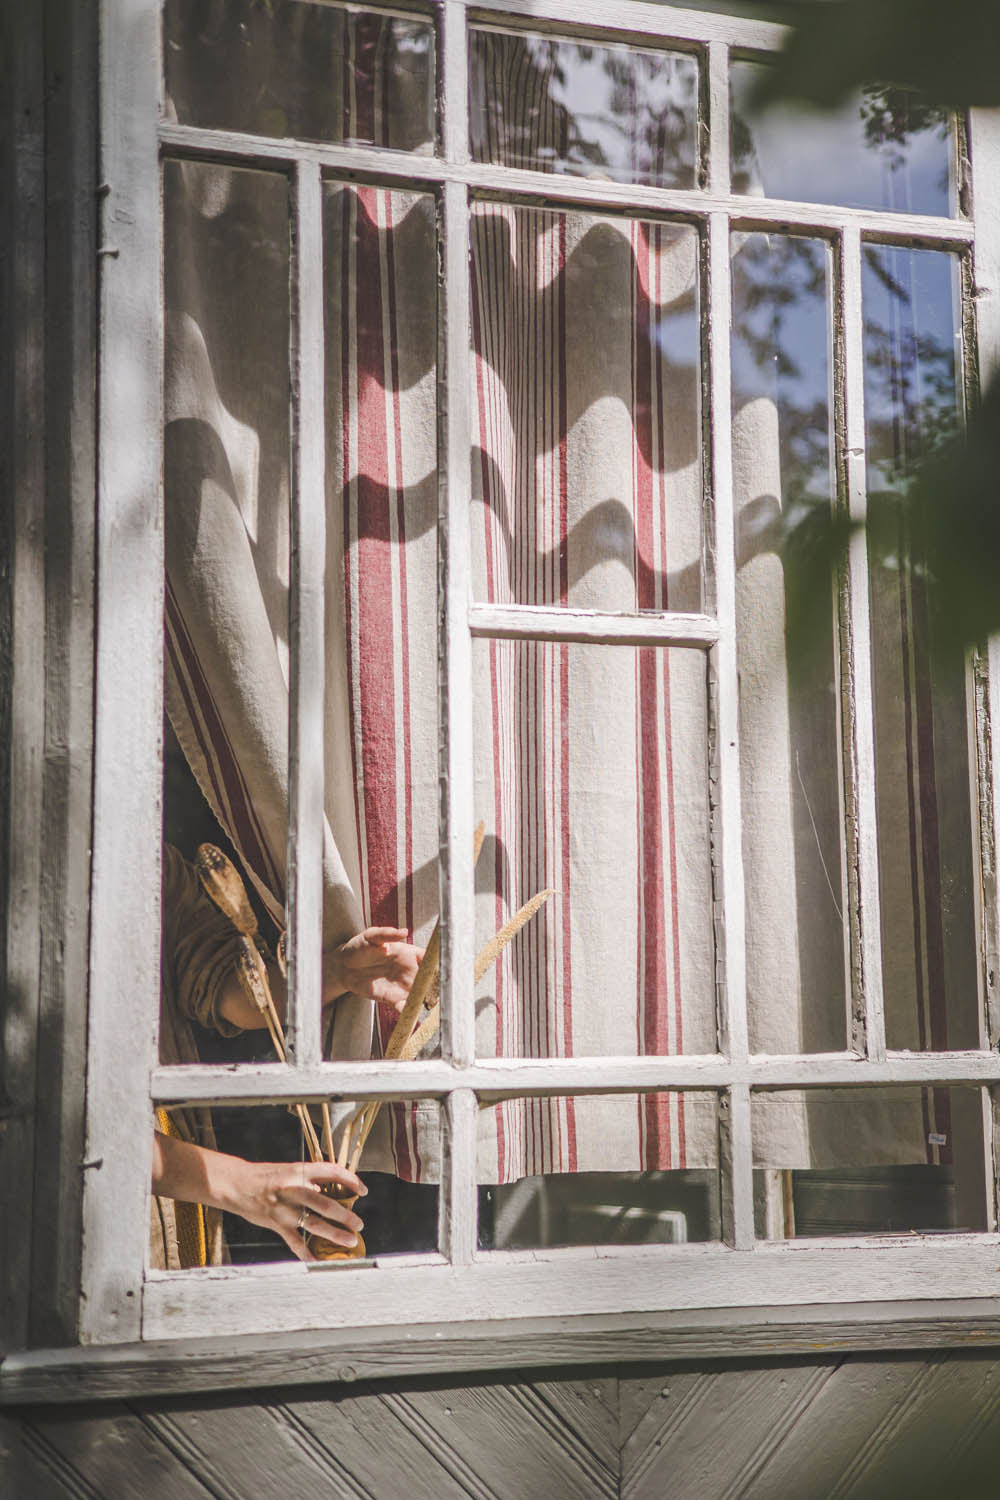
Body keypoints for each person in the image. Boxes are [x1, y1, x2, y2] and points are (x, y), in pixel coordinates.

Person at [152, 843, 422, 1266]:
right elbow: (60, 1123)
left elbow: (221, 983)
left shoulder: (155, 861)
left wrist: (335, 973)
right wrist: (240, 1184)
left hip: (184, 1211)